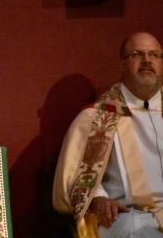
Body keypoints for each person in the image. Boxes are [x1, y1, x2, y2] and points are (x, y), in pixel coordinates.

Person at [53, 32, 163, 238]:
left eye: (154, 55)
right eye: (137, 54)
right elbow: (74, 177)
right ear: (122, 64)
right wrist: (98, 198)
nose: (147, 61)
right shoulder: (96, 118)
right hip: (128, 214)